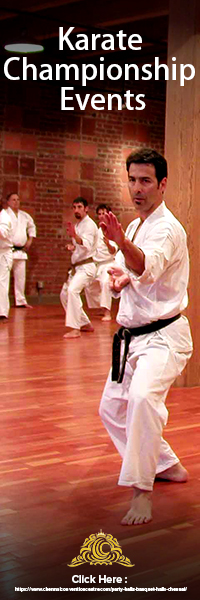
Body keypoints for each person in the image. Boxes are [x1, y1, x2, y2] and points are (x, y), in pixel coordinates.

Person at [99, 148, 193, 526]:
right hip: (133, 337)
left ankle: (142, 493)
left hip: (165, 338)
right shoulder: (138, 224)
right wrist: (120, 279)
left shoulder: (167, 228)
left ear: (163, 184)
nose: (137, 189)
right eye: (132, 180)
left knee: (141, 400)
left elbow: (144, 265)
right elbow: (132, 273)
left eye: (145, 181)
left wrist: (122, 246)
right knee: (111, 409)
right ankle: (168, 464)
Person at [60, 197, 98, 338]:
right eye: (74, 207)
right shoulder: (77, 225)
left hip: (87, 266)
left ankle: (75, 328)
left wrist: (75, 237)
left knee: (72, 290)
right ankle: (84, 323)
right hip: (77, 266)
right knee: (64, 294)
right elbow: (79, 246)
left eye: (79, 207)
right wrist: (72, 247)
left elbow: (87, 244)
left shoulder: (89, 225)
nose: (76, 210)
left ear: (86, 208)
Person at [84, 204, 117, 321]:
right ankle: (100, 307)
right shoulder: (96, 231)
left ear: (108, 214)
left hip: (108, 263)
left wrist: (108, 243)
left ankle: (107, 312)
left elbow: (113, 251)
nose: (101, 216)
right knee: (88, 284)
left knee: (105, 282)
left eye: (104, 213)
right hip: (96, 264)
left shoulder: (112, 230)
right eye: (99, 214)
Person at [6, 193, 36, 308]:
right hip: (7, 250)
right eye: (13, 200)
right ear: (8, 202)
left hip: (21, 251)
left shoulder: (24, 216)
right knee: (3, 278)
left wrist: (30, 239)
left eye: (18, 199)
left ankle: (20, 300)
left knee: (20, 277)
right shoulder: (4, 215)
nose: (16, 202)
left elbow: (32, 227)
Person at [0, 204, 14, 320]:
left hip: (4, 253)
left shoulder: (4, 217)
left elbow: (3, 233)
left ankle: (2, 312)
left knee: (1, 282)